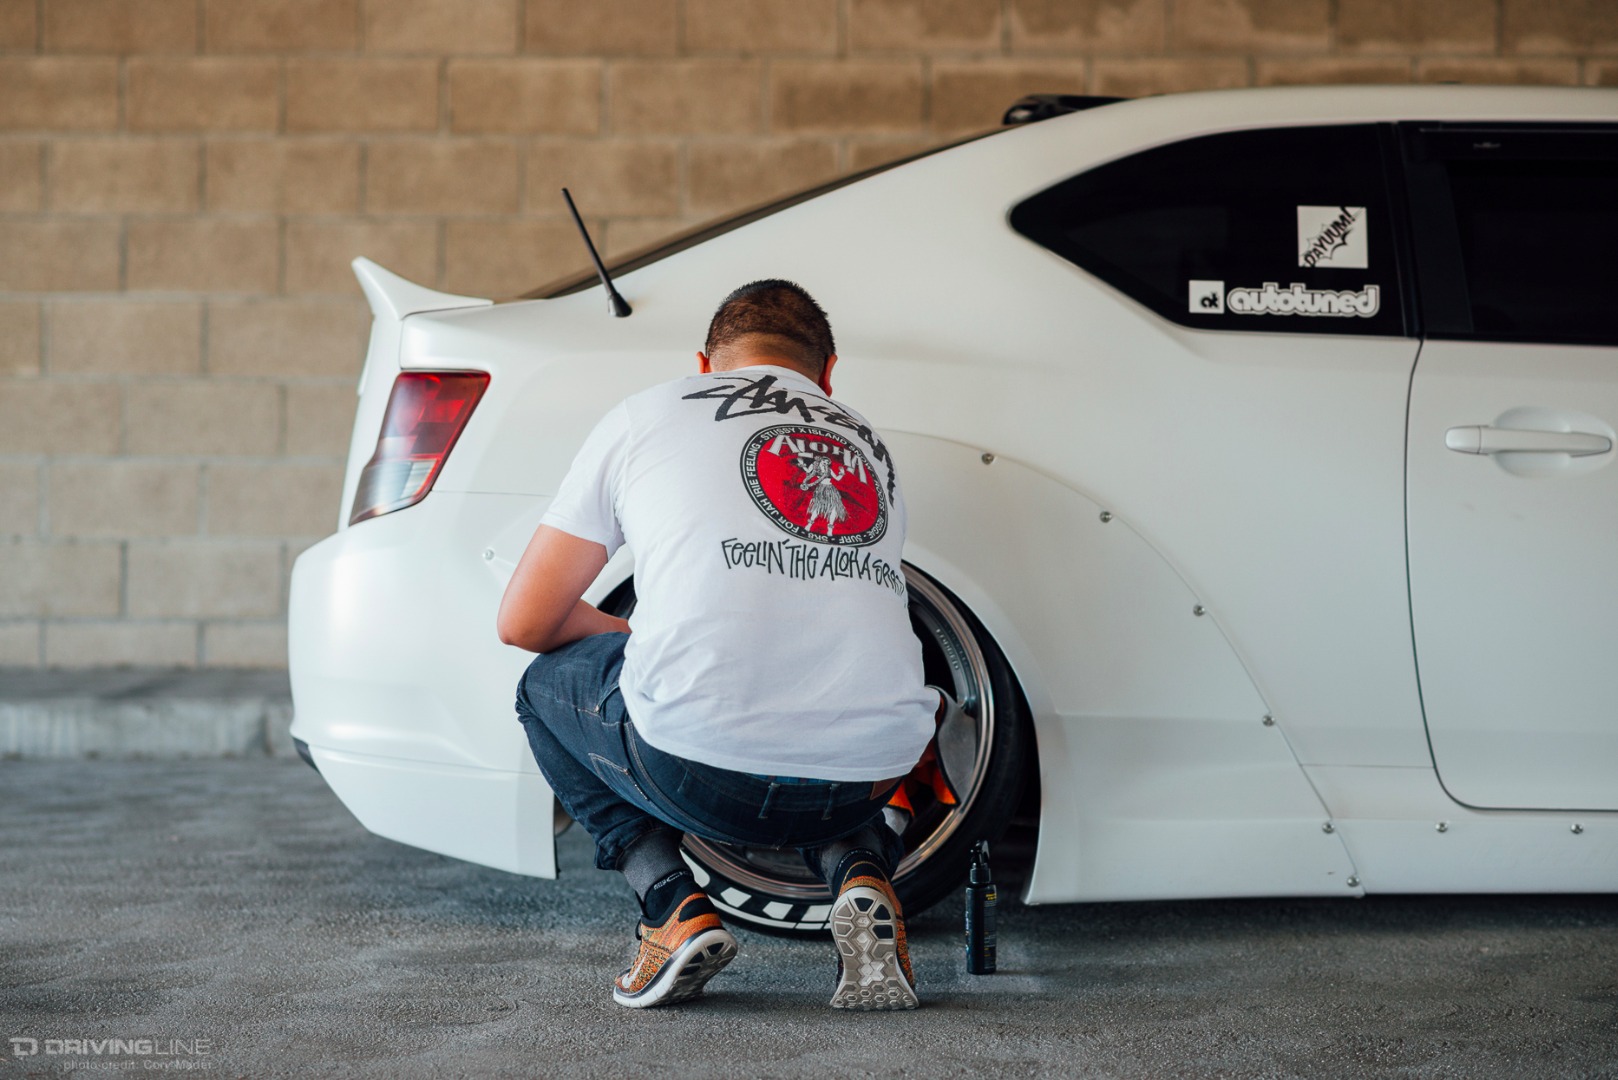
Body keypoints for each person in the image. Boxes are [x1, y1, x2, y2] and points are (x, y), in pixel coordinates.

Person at [496, 279, 947, 1011]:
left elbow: (524, 623)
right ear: (829, 375)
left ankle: (670, 908)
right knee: (848, 711)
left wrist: (642, 636)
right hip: (864, 776)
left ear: (705, 365)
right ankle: (863, 869)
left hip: (698, 774)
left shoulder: (649, 412)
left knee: (540, 687)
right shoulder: (867, 440)